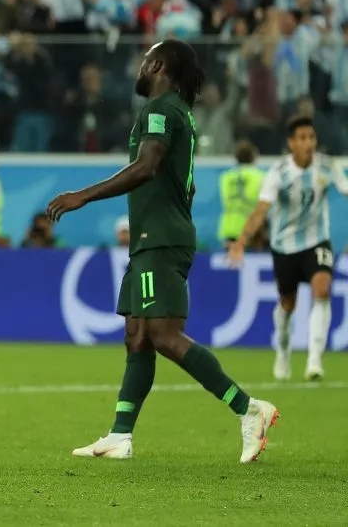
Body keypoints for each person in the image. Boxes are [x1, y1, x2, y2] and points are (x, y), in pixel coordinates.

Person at [46, 39, 278, 464]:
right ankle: (119, 436)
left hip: (160, 240)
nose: (138, 67)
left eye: (143, 60)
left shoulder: (159, 110)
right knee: (137, 336)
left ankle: (248, 409)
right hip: (153, 238)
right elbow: (182, 183)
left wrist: (84, 195)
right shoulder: (179, 114)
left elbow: (148, 165)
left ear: (156, 65)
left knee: (163, 336)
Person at [228, 115, 348, 381]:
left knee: (322, 289)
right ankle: (283, 350)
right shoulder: (279, 173)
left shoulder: (327, 167)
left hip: (317, 240)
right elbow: (261, 210)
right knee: (287, 303)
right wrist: (241, 242)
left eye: (311, 137)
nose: (308, 143)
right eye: (302, 138)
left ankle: (314, 359)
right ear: (291, 143)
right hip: (285, 247)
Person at [217, 140, 264, 247]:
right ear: (253, 157)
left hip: (229, 228)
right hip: (252, 230)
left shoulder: (226, 177)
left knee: (231, 262)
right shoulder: (259, 176)